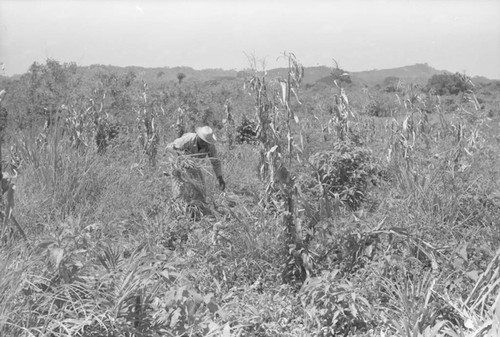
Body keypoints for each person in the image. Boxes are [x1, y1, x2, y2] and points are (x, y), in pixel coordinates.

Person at [165, 126, 226, 198]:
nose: (204, 144)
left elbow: (215, 162)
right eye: (203, 141)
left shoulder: (209, 146)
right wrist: (181, 159)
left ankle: (198, 206)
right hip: (179, 166)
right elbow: (169, 148)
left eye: (206, 142)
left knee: (201, 190)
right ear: (198, 136)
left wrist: (220, 178)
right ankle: (179, 204)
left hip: (194, 167)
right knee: (180, 191)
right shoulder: (187, 140)